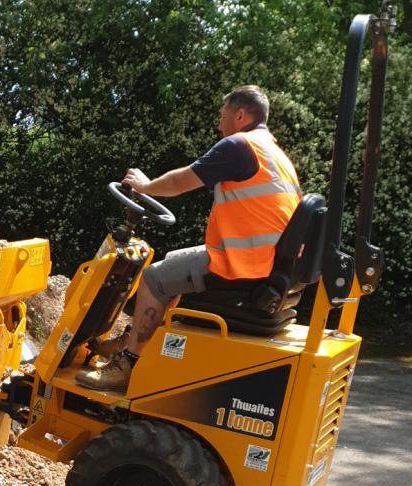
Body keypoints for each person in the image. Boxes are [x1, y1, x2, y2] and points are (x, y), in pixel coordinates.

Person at [76, 85, 301, 391]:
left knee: (154, 278)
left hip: (245, 266)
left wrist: (145, 187)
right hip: (265, 263)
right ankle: (137, 338)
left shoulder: (240, 145)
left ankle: (127, 362)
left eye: (222, 117)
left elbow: (183, 180)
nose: (219, 125)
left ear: (240, 114)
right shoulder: (275, 155)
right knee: (173, 261)